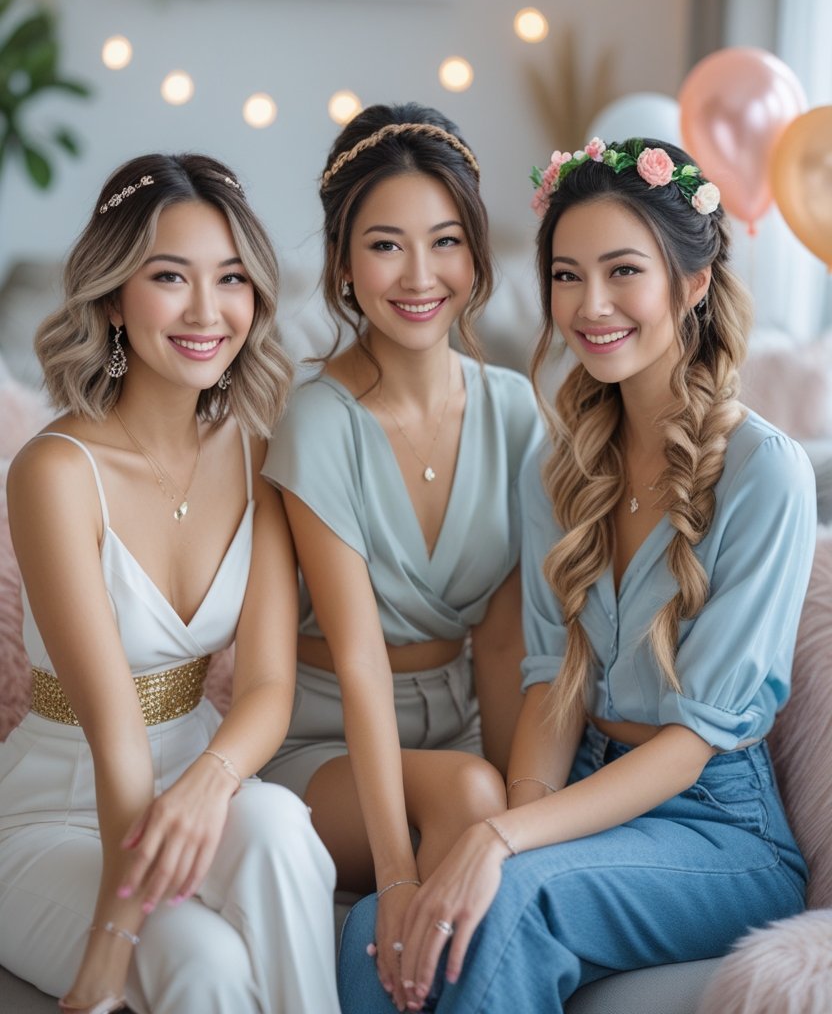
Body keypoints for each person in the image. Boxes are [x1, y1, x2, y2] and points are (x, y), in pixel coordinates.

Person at [338, 137, 817, 1013]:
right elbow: (553, 683)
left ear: (694, 282)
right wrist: (514, 824)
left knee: (513, 897)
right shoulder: (559, 467)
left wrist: (504, 841)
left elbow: (693, 741)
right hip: (589, 790)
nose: (590, 305)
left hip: (718, 828)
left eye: (623, 271)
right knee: (380, 924)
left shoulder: (766, 472)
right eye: (566, 275)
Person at [0, 154, 340, 1014]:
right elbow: (116, 731)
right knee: (206, 966)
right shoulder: (54, 471)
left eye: (230, 279)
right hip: (62, 806)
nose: (205, 311)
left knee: (282, 831)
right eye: (168, 277)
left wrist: (210, 778)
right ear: (114, 297)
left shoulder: (258, 452)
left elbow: (267, 685)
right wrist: (114, 936)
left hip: (198, 772)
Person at [259, 104, 543, 1011]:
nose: (420, 276)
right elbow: (359, 658)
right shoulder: (318, 419)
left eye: (446, 242)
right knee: (466, 791)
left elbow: (502, 647)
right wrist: (394, 877)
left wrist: (514, 816)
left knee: (484, 800)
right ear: (343, 262)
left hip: (456, 724)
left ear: (476, 254)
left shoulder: (513, 411)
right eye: (386, 246)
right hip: (325, 739)